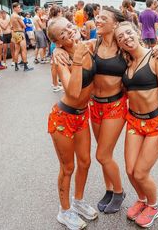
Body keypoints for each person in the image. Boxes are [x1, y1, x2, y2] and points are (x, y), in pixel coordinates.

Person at [54, 8, 158, 215]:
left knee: (102, 154)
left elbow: (143, 55)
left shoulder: (123, 47)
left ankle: (119, 192)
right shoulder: (92, 44)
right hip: (94, 105)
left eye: (103, 18)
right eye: (98, 17)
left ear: (115, 24)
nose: (98, 20)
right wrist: (57, 49)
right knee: (103, 153)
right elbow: (71, 47)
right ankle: (109, 189)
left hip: (115, 106)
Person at [114, 21, 158, 228]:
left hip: (155, 123)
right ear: (118, 44)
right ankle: (142, 200)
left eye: (128, 33)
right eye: (120, 37)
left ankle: (154, 206)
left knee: (140, 172)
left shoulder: (156, 55)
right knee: (130, 170)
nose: (126, 38)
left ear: (137, 32)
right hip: (133, 121)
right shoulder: (126, 63)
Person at [47, 17, 98, 230]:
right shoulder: (61, 58)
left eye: (69, 26)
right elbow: (73, 91)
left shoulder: (89, 46)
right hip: (63, 118)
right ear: (58, 42)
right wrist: (76, 59)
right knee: (68, 168)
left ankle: (78, 201)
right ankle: (64, 211)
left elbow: (116, 37)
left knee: (85, 162)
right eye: (63, 34)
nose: (69, 31)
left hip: (81, 116)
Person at [10, 2, 33, 72]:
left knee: (17, 50)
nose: (20, 8)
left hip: (15, 33)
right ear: (14, 8)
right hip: (20, 33)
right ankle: (25, 66)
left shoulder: (11, 15)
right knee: (24, 50)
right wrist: (22, 27)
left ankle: (16, 66)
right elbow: (24, 26)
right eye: (18, 7)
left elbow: (11, 27)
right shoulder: (17, 16)